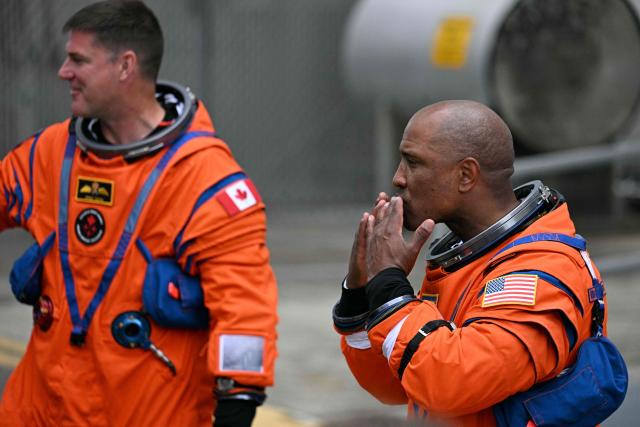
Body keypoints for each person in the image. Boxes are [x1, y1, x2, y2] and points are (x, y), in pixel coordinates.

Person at [0, 2, 277, 426]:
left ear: (125, 65)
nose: (63, 71)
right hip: (39, 413)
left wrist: (237, 404)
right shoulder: (49, 156)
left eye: (78, 60)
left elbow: (244, 311)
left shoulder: (205, 181)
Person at [332, 100, 616, 425]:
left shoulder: (542, 271)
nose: (398, 178)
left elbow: (450, 383)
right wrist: (361, 293)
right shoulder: (466, 259)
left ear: (466, 175)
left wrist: (391, 290)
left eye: (413, 162)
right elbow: (395, 387)